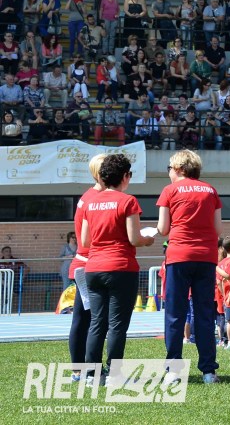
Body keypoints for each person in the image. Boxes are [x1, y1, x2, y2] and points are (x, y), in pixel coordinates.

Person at [80, 154, 155, 384]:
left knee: (96, 323)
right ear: (124, 176)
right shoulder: (128, 201)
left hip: (94, 267)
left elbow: (85, 240)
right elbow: (134, 239)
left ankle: (91, 375)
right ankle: (114, 374)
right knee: (117, 326)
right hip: (121, 267)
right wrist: (148, 240)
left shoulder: (90, 202)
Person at [157, 150, 223, 384]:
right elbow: (218, 230)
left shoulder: (170, 191)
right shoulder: (210, 190)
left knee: (175, 314)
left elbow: (163, 229)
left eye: (169, 168)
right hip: (206, 256)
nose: (168, 172)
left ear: (179, 168)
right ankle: (208, 371)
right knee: (204, 313)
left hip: (179, 255)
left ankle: (173, 371)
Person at [68, 154, 105, 382]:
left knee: (85, 319)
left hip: (85, 264)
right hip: (88, 264)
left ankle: (82, 368)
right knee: (89, 320)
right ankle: (84, 369)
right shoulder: (95, 198)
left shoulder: (88, 196)